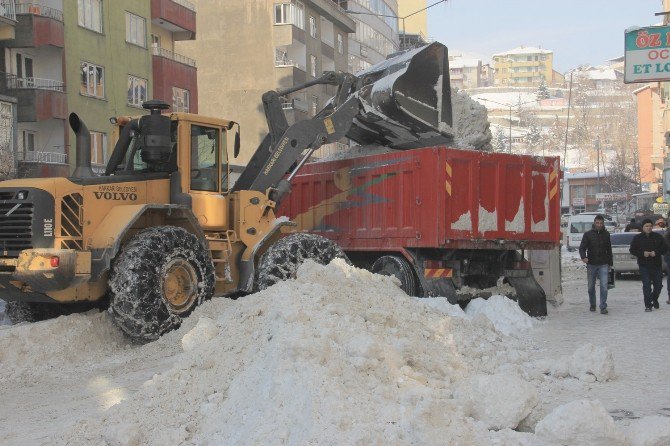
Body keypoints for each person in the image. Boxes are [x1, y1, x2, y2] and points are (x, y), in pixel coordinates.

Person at [630, 219, 668, 312]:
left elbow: (665, 248)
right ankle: (648, 305)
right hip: (644, 265)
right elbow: (632, 250)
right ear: (643, 227)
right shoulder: (637, 238)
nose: (649, 228)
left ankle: (654, 299)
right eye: (646, 226)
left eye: (650, 226)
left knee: (658, 285)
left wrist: (656, 252)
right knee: (646, 285)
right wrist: (642, 253)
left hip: (656, 265)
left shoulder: (658, 236)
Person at [579, 214, 613, 314]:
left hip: (603, 264)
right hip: (591, 264)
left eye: (601, 223)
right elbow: (582, 248)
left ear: (603, 224)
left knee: (604, 286)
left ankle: (603, 306)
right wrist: (583, 257)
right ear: (594, 223)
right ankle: (592, 304)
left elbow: (609, 250)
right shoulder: (588, 234)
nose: (599, 225)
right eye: (597, 223)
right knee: (590, 287)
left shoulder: (606, 234)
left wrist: (610, 263)